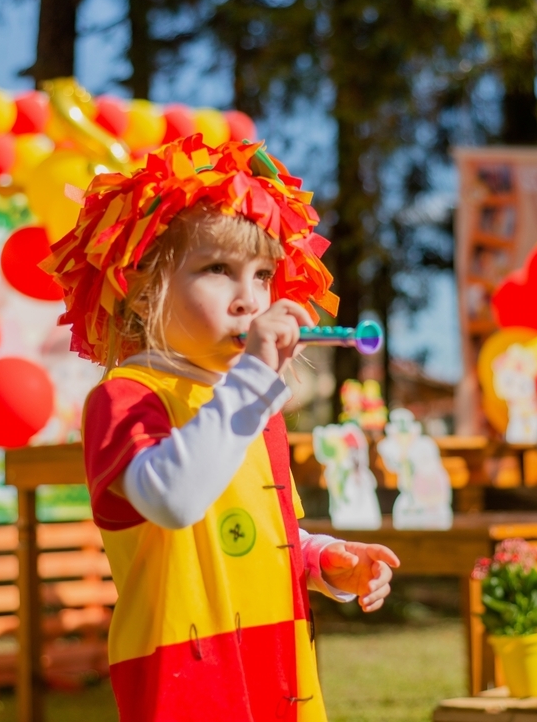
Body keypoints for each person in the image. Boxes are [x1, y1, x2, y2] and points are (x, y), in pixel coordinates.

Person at [48, 136, 401, 721]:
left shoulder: (250, 404)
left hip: (278, 669)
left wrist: (323, 561)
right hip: (185, 681)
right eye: (218, 270)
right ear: (140, 290)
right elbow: (175, 500)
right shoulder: (127, 398)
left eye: (263, 276)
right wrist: (255, 384)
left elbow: (259, 533)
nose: (250, 300)